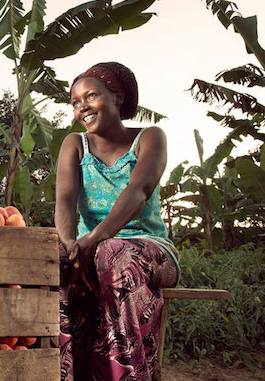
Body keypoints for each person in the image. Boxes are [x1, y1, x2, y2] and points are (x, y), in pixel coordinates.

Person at [55, 62, 180, 381]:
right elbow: (65, 200)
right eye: (74, 102)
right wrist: (70, 243)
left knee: (113, 254)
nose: (81, 106)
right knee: (52, 258)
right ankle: (64, 373)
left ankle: (125, 375)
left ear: (118, 96)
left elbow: (139, 191)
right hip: (90, 249)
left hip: (149, 251)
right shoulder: (75, 144)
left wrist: (94, 239)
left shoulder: (150, 137)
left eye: (91, 95)